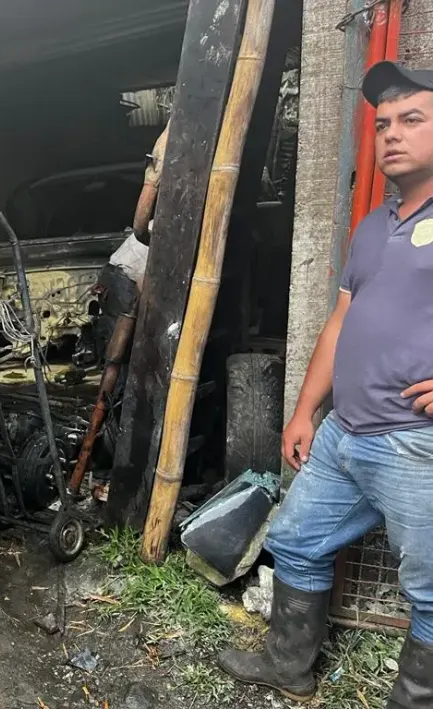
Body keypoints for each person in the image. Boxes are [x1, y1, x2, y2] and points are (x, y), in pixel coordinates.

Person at [218, 61, 433, 709]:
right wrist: (305, 410)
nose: (390, 134)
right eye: (382, 124)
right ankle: (288, 665)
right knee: (295, 541)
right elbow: (340, 320)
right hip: (344, 431)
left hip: (413, 444)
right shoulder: (373, 224)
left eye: (412, 120)